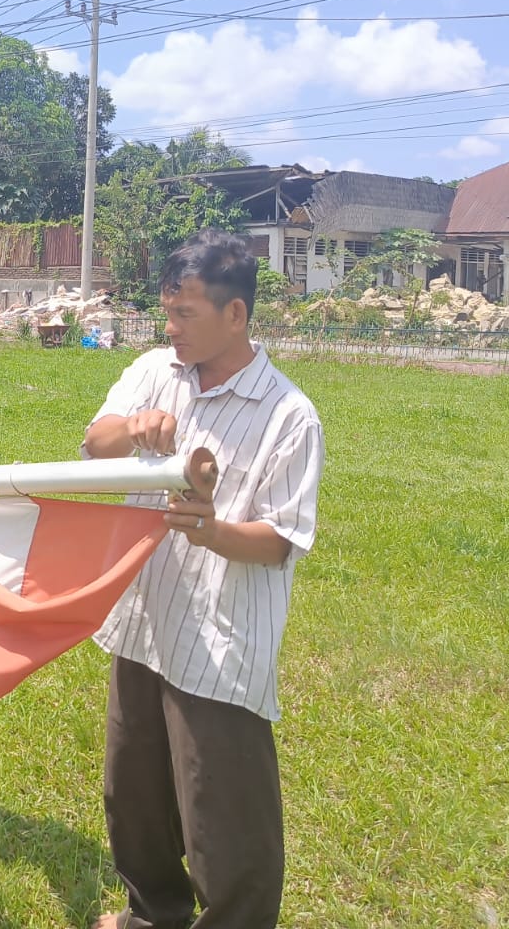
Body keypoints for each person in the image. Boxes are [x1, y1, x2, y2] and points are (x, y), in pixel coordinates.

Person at [81, 230, 324, 929]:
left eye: (187, 314)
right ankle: (152, 913)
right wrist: (135, 426)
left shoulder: (287, 416)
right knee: (134, 792)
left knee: (224, 814)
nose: (172, 327)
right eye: (168, 311)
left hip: (219, 640)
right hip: (144, 617)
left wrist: (209, 529)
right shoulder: (157, 370)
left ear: (237, 315)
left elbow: (280, 540)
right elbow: (95, 442)